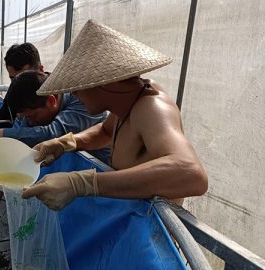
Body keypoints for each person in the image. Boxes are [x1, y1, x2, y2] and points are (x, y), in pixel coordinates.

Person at [22, 20, 208, 209]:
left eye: (78, 86)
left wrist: (81, 183)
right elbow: (105, 131)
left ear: (104, 82)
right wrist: (65, 143)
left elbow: (191, 172)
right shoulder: (126, 104)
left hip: (155, 231)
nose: (75, 94)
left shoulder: (151, 106)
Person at [0, 70, 107, 224]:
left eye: (31, 116)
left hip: (108, 186)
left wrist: (0, 134)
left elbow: (54, 133)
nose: (29, 122)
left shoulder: (82, 101)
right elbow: (18, 148)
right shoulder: (34, 109)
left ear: (51, 100)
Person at [0, 43, 44, 129]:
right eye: (13, 79)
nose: (18, 84)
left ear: (40, 70)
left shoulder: (60, 92)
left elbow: (54, 132)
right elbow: (1, 120)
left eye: (24, 78)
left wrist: (2, 133)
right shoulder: (15, 91)